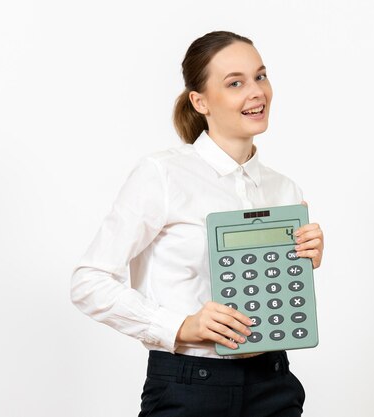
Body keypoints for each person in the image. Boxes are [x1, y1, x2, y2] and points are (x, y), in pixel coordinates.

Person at [70, 30, 324, 417]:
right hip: (189, 385)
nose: (256, 92)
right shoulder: (163, 175)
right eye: (235, 82)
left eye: (260, 76)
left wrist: (305, 261)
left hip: (273, 382)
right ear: (200, 101)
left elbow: (273, 290)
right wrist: (179, 326)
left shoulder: (284, 190)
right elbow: (88, 282)